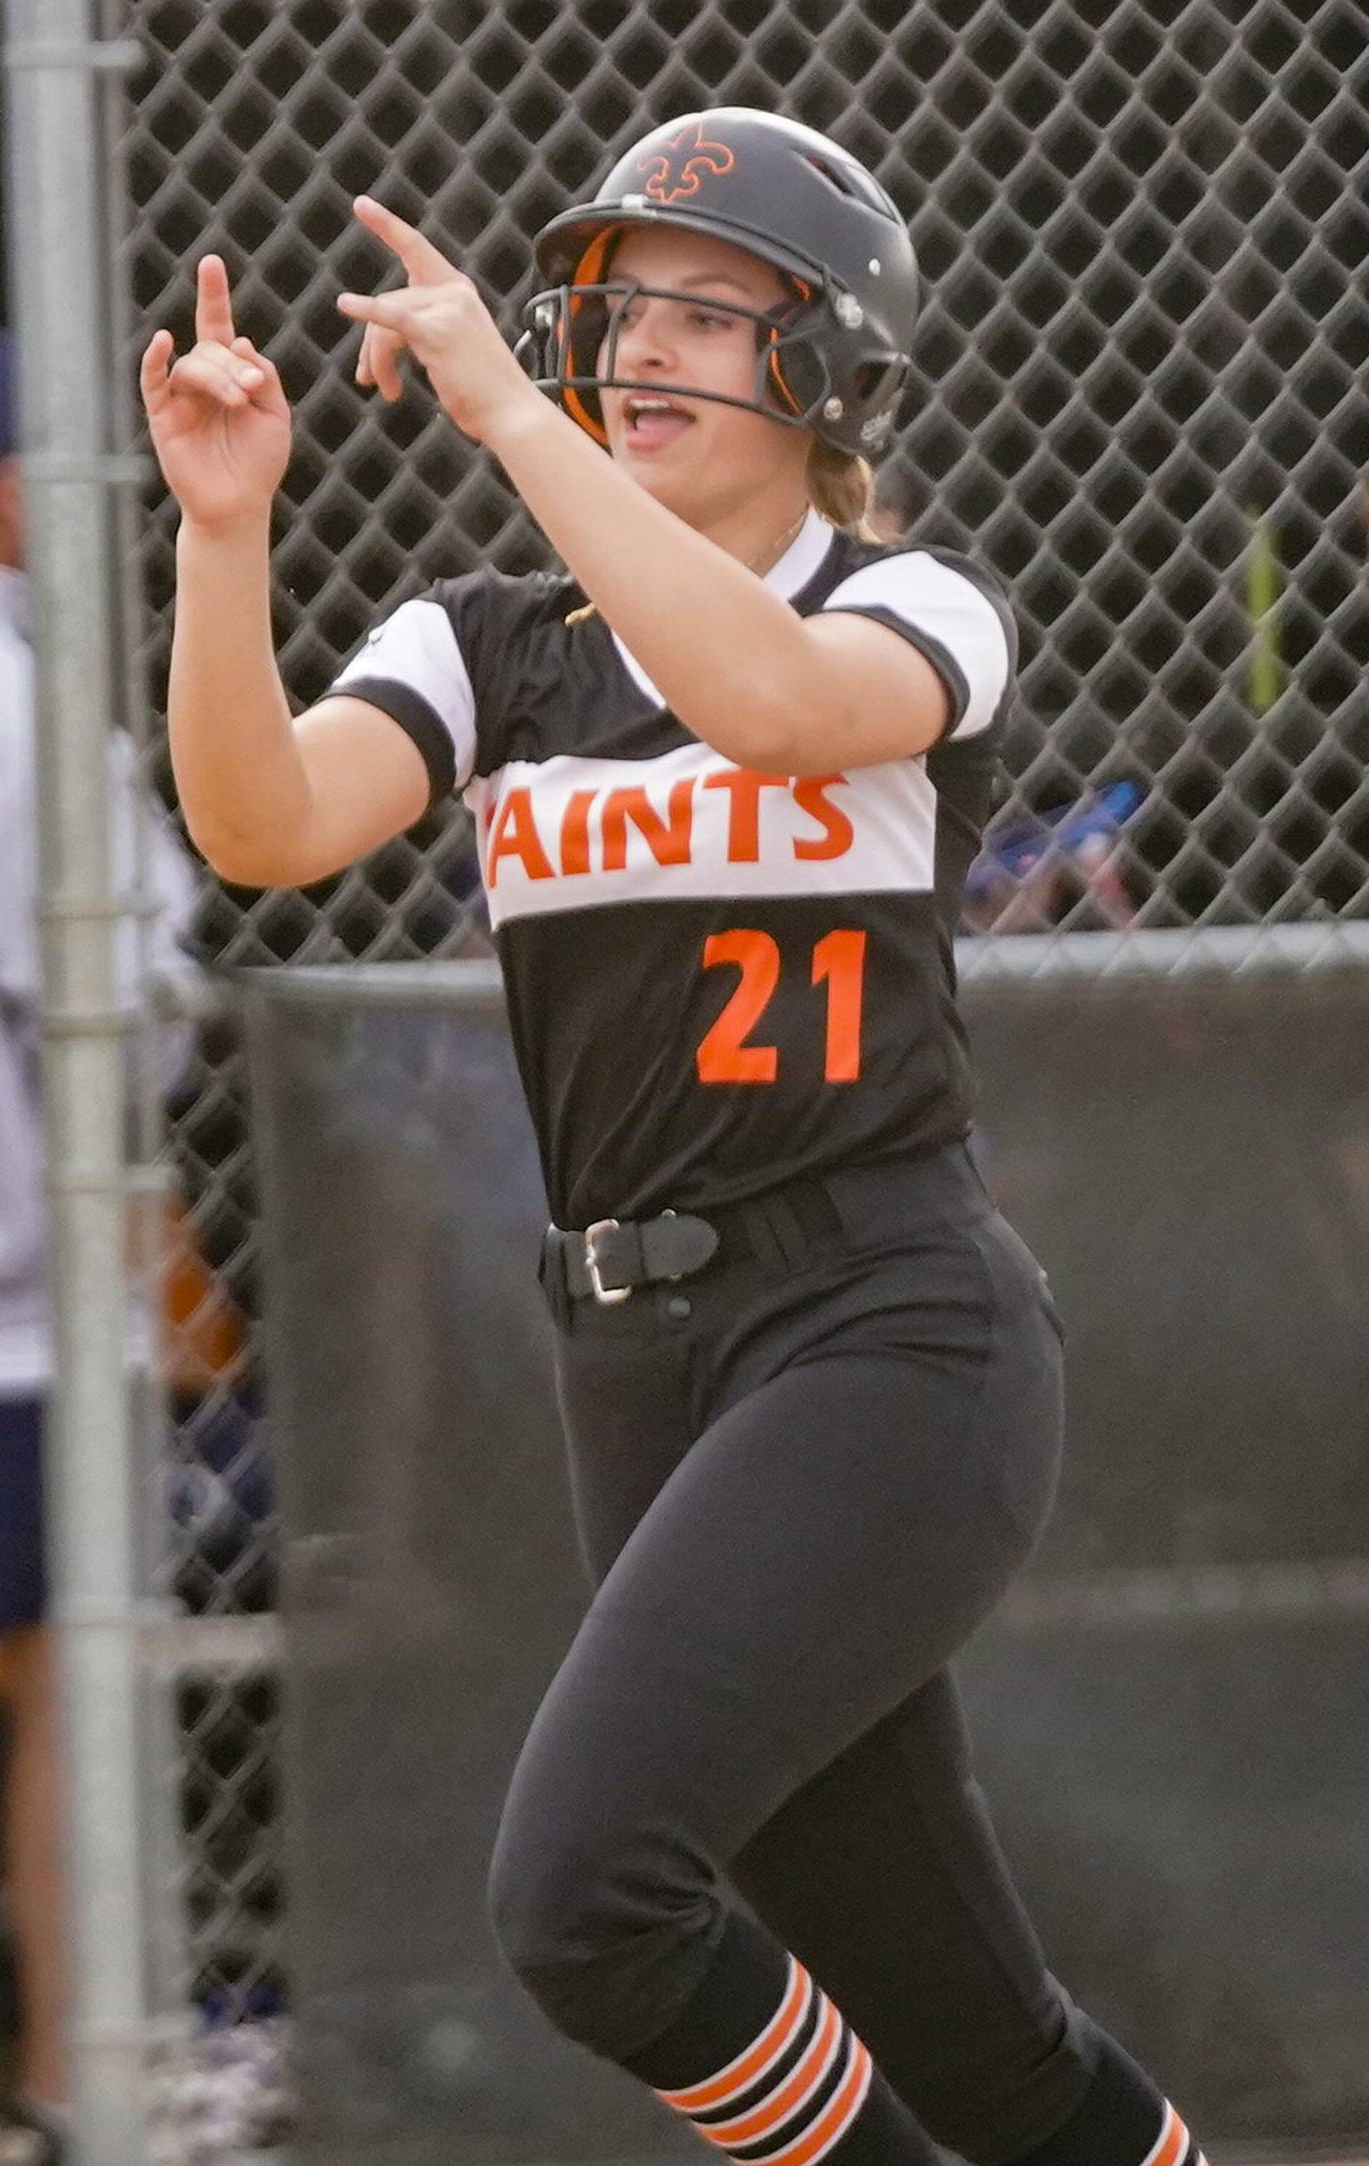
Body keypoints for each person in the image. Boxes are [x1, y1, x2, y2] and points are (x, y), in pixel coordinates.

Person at [142, 108, 1208, 2166]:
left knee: (590, 1903)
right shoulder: (495, 642)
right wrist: (222, 531)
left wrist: (512, 421)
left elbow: (784, 705)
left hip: (885, 1329)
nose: (639, 355)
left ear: (826, 361)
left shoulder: (914, 602)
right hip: (632, 1361)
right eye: (620, 315)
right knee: (978, 2043)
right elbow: (261, 826)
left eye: (707, 319)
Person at [0, 315, 199, 2166]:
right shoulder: (18, 697)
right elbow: (125, 1007)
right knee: (70, 1675)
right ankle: (71, 2083)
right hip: (15, 1297)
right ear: (15, 494)